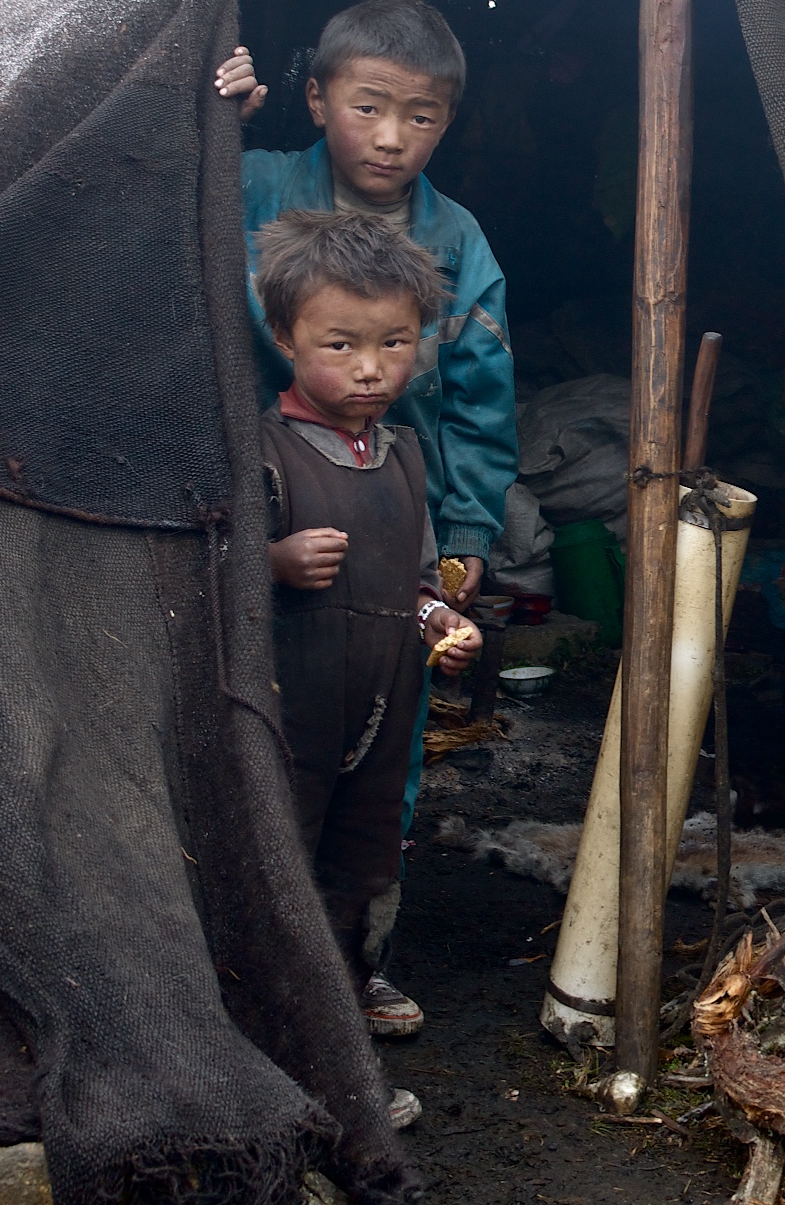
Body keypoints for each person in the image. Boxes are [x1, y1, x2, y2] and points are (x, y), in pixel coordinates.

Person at [217, 0, 518, 1037]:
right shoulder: (251, 181)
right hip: (272, 496)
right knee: (256, 730)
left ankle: (358, 958)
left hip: (397, 505)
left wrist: (467, 534)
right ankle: (251, 955)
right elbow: (147, 189)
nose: (392, 137)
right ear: (316, 97)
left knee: (384, 736)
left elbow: (480, 394)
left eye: (422, 116)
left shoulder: (456, 238)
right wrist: (214, 108)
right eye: (368, 106)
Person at [257, 209, 481, 1128]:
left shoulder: (403, 456)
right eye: (340, 343)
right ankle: (275, 1045)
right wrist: (271, 563)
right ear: (284, 337)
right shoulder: (260, 450)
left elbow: (418, 578)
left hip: (384, 710)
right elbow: (200, 573)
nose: (370, 367)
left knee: (362, 859)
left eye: (395, 343)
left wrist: (441, 619)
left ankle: (343, 1021)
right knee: (281, 861)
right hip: (288, 713)